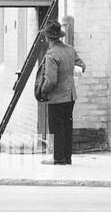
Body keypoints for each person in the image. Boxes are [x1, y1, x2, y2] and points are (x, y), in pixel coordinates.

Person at [36, 22, 86, 165]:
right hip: (70, 96)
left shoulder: (51, 54)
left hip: (57, 98)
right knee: (66, 127)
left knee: (56, 128)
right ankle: (67, 157)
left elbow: (51, 80)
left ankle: (58, 159)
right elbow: (82, 65)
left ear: (47, 38)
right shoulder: (70, 50)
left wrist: (43, 92)